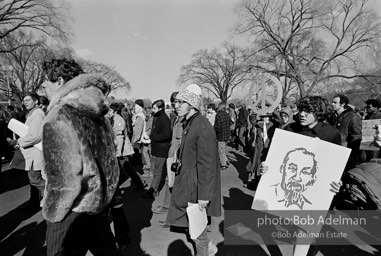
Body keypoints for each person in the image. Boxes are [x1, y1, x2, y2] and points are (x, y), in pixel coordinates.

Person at [41, 58, 121, 256]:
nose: (43, 90)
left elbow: (64, 177)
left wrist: (53, 211)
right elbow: (112, 164)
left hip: (72, 211)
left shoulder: (60, 115)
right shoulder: (98, 115)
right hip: (98, 206)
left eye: (45, 84)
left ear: (59, 81)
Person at [166, 84, 221, 256]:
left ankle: (206, 251)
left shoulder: (202, 126)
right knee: (194, 229)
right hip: (189, 185)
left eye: (181, 102)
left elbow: (208, 164)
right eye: (176, 102)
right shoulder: (191, 123)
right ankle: (209, 249)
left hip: (196, 189)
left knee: (198, 234)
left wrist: (204, 195)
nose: (176, 106)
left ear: (192, 104)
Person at [8, 93, 45, 211]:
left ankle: (52, 198)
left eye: (28, 100)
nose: (25, 102)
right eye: (24, 100)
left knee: (35, 180)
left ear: (36, 101)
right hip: (32, 152)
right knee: (33, 181)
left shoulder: (37, 114)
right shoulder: (33, 113)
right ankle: (34, 203)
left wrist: (17, 142)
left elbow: (35, 136)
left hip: (35, 152)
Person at [143, 99, 172, 198]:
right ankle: (153, 189)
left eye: (154, 108)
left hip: (161, 149)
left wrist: (152, 137)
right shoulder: (158, 117)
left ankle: (153, 190)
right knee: (156, 170)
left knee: (157, 171)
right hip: (157, 148)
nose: (152, 110)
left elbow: (167, 135)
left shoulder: (164, 119)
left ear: (160, 108)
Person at [329, 94, 362, 170]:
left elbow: (356, 136)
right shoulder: (332, 117)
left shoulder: (353, 116)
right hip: (332, 150)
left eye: (335, 102)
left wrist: (352, 155)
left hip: (345, 151)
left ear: (342, 104)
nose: (332, 104)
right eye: (332, 102)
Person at [214, 102, 231, 170]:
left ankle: (223, 164)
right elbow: (230, 122)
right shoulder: (227, 114)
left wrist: (215, 132)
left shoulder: (218, 115)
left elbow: (217, 126)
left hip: (220, 135)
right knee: (223, 149)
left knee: (221, 151)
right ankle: (226, 160)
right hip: (227, 134)